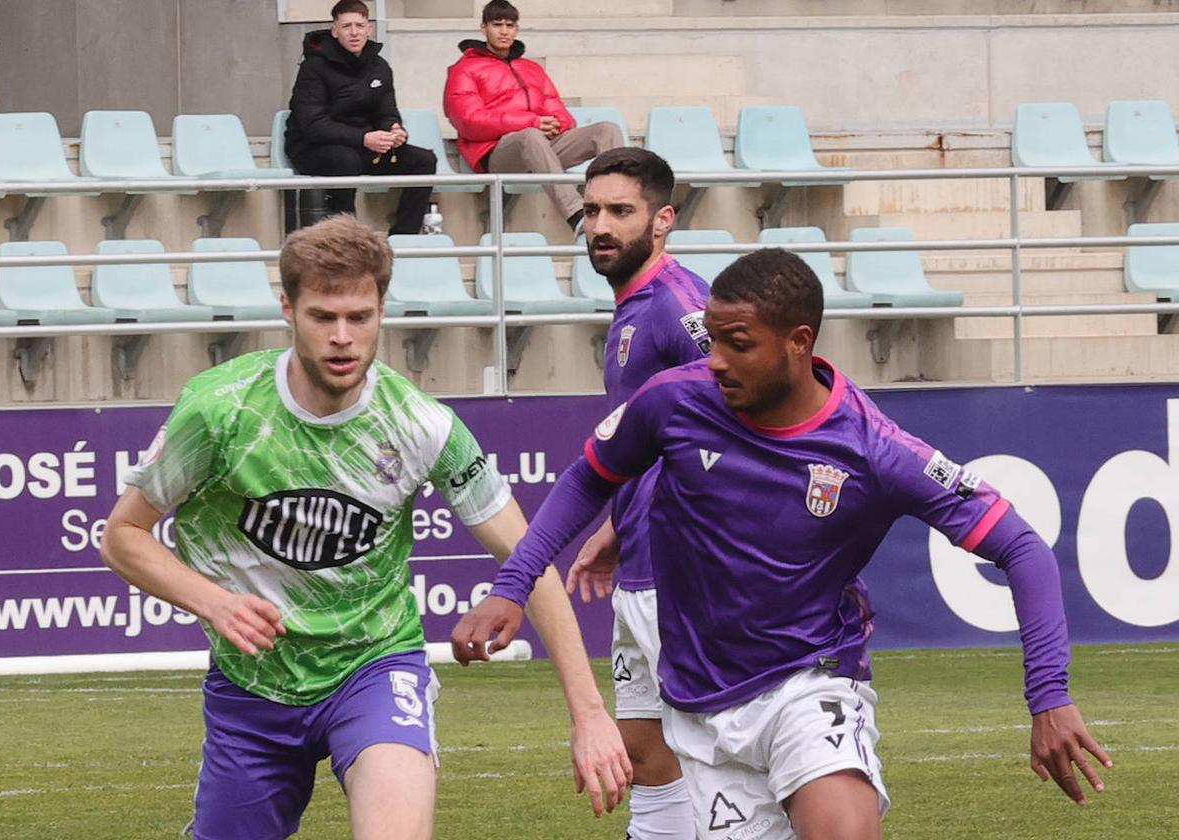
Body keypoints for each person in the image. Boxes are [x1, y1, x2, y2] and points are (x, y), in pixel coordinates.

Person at [452, 248, 1113, 839]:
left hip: (811, 683)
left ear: (798, 343)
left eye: (736, 343)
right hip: (701, 710)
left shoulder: (875, 451)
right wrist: (514, 586)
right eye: (710, 340)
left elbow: (1022, 548)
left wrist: (1049, 695)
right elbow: (589, 477)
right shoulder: (675, 402)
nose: (714, 360)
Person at [100, 215, 631, 840]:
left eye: (361, 316)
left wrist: (590, 713)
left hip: (375, 668)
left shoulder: (421, 425)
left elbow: (528, 559)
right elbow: (122, 536)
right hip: (252, 688)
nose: (343, 338)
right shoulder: (220, 410)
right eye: (323, 317)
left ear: (383, 308)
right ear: (287, 309)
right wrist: (214, 602)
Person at [575, 146, 708, 840]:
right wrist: (619, 524)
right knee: (646, 755)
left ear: (662, 221)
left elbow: (739, 409)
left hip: (684, 579)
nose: (601, 225)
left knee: (717, 763)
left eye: (620, 211)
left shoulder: (679, 307)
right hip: (641, 565)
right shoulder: (631, 308)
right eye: (592, 211)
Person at [443, 0, 624, 234]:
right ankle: (577, 214)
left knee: (606, 130)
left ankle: (618, 206)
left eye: (510, 25)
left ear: (517, 29)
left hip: (541, 147)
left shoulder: (531, 68)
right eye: (497, 24)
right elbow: (468, 121)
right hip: (497, 153)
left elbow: (561, 113)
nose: (504, 31)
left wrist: (555, 125)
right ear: (483, 27)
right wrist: (533, 122)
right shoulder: (464, 69)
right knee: (530, 136)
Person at [285, 0, 436, 233]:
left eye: (359, 25)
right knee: (346, 160)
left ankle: (403, 236)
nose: (354, 32)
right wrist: (364, 138)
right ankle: (345, 235)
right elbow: (313, 125)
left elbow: (386, 112)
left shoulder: (380, 66)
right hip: (312, 147)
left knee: (424, 160)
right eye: (346, 26)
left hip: (363, 146)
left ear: (369, 29)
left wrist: (394, 129)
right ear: (335, 31)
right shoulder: (313, 67)